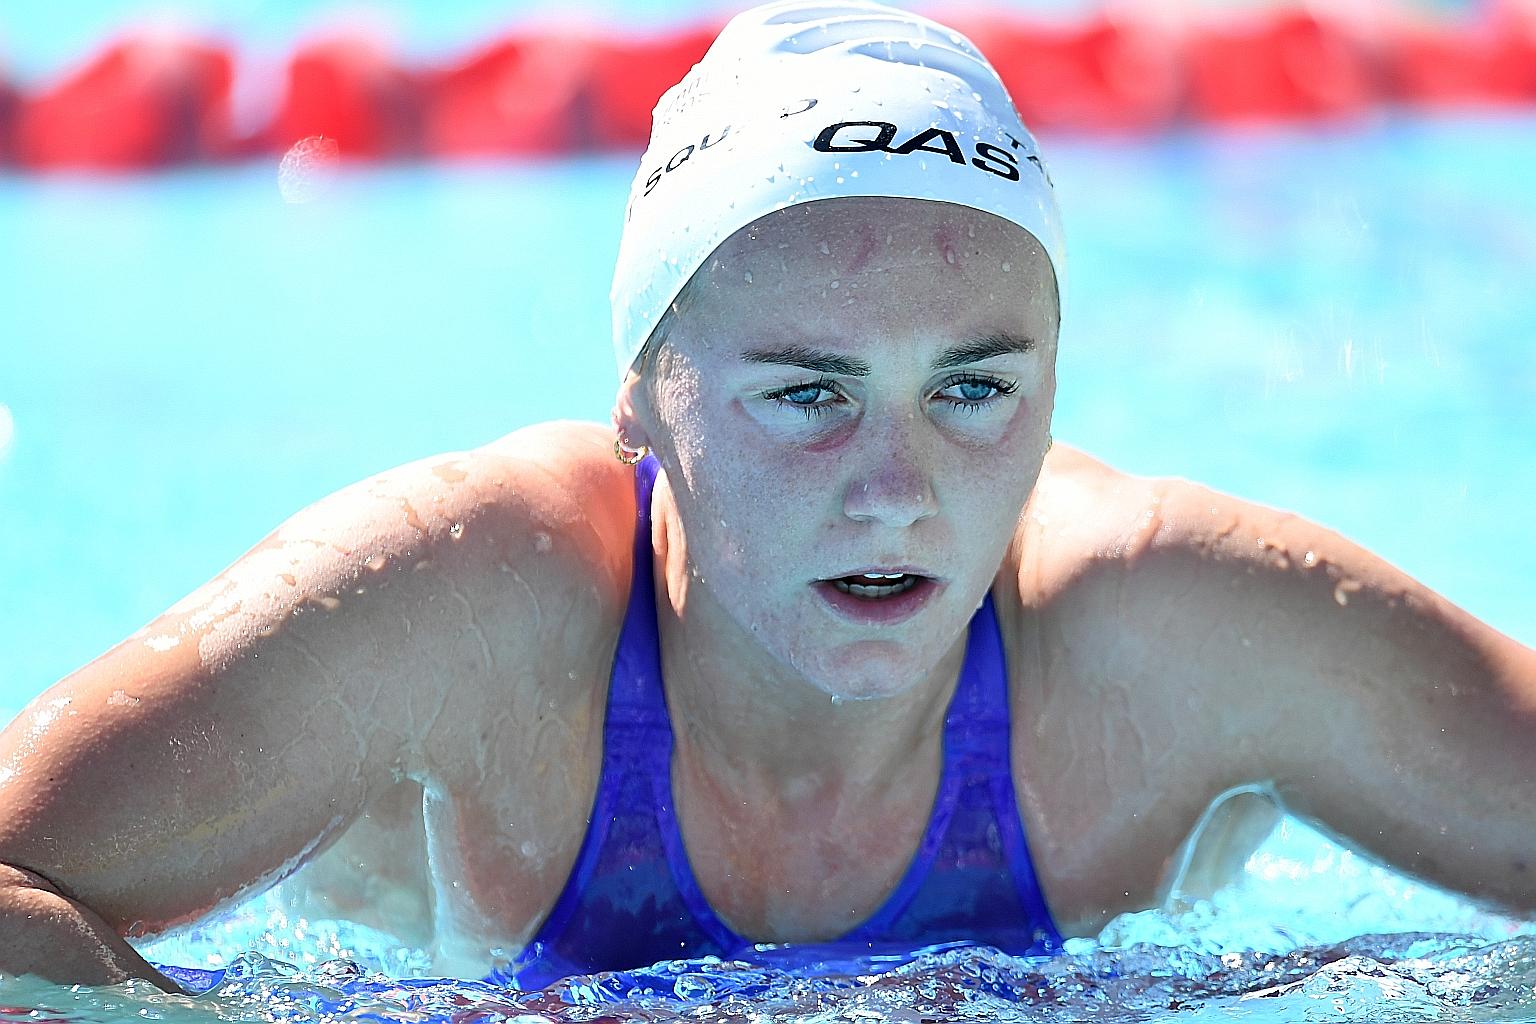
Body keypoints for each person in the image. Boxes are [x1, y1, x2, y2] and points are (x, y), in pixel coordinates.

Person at [2, 0, 1534, 993]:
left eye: (975, 390)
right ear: (638, 400)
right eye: (807, 394)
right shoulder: (452, 612)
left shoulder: (1183, 638)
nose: (895, 492)